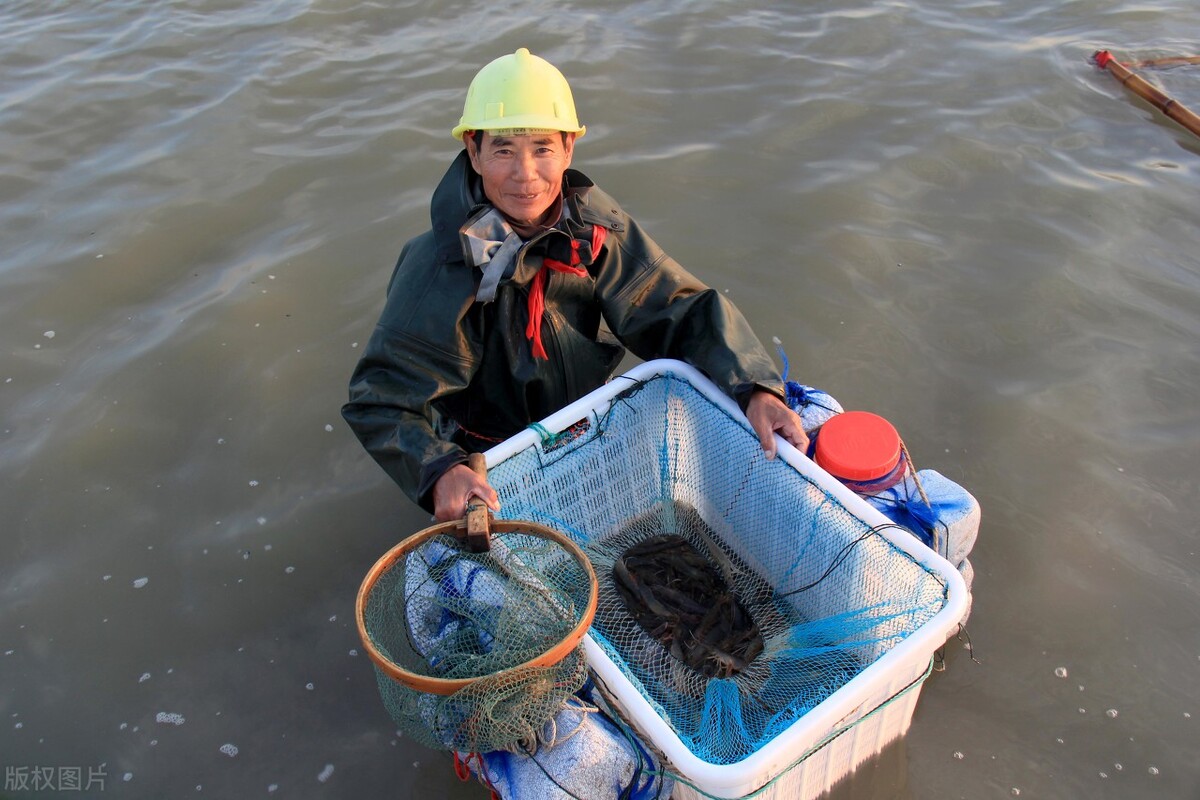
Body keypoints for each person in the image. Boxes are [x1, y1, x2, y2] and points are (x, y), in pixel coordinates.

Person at [343, 48, 807, 522]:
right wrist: (440, 469)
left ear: (568, 150)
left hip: (585, 424)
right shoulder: (437, 267)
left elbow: (680, 311)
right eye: (503, 150)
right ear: (474, 153)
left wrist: (754, 387)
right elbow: (380, 401)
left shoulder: (594, 228)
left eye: (542, 149)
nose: (525, 175)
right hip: (490, 459)